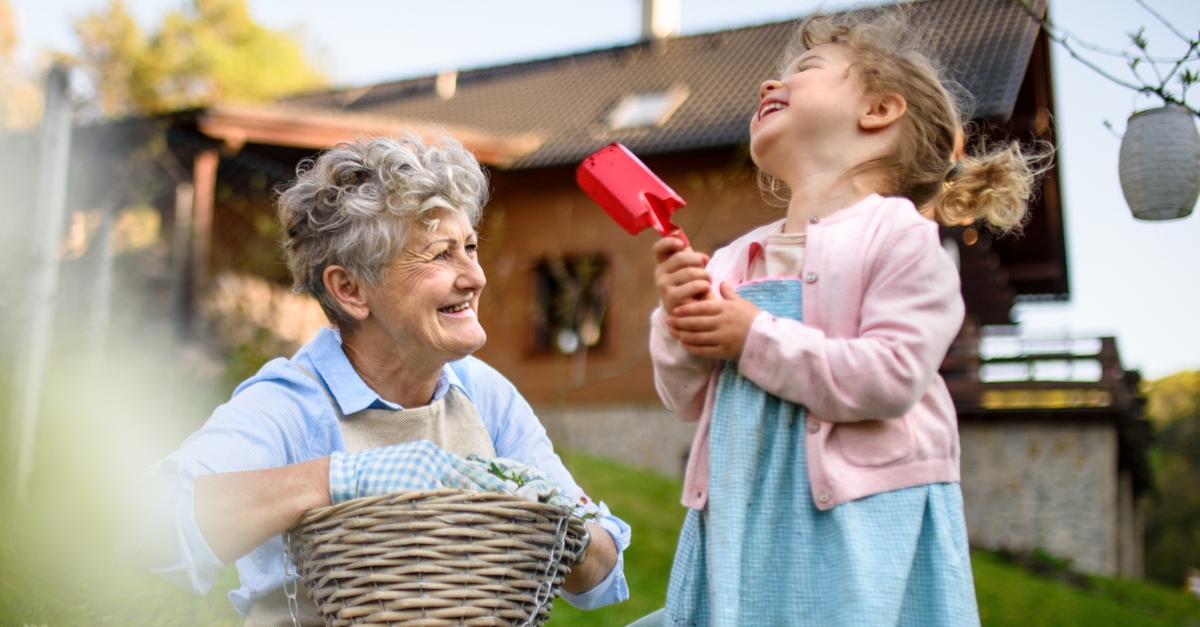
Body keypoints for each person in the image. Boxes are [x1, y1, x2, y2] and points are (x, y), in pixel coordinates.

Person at [642, 8, 1044, 627]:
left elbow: (892, 376)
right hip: (742, 510)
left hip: (857, 524)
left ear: (879, 110)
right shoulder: (731, 259)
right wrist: (679, 323)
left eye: (803, 69)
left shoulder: (900, 239)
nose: (767, 85)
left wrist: (752, 336)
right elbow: (687, 396)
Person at [125, 133, 630, 624]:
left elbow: (599, 582)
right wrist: (341, 479)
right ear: (350, 289)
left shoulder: (484, 394)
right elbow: (152, 526)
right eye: (439, 254)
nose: (475, 277)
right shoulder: (295, 403)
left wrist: (562, 521)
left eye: (470, 247)